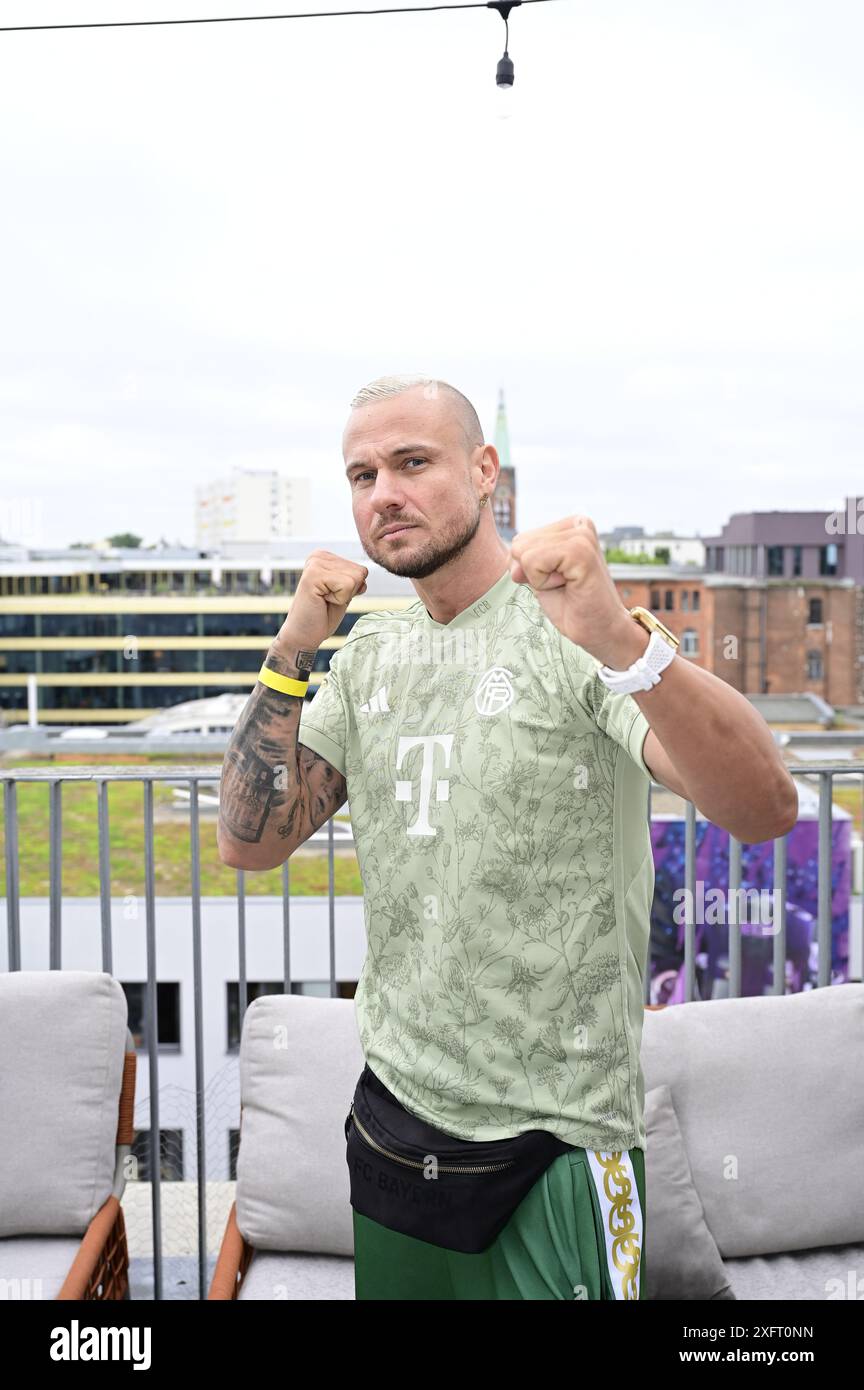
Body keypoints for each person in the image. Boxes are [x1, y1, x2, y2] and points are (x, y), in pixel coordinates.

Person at [217, 374, 798, 1300]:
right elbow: (250, 841)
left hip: (554, 1147)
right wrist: (294, 648)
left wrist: (618, 635)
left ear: (486, 472)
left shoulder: (577, 633)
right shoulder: (370, 658)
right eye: (362, 475)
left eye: (413, 462)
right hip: (393, 1127)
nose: (384, 495)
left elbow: (765, 808)